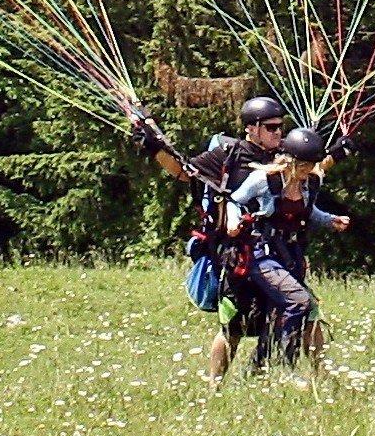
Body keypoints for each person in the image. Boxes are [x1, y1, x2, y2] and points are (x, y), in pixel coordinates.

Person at [135, 96, 288, 381]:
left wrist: (339, 152)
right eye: (271, 127)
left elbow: (311, 171)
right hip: (236, 254)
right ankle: (215, 384)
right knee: (234, 324)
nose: (278, 133)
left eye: (281, 127)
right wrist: (155, 147)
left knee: (279, 315)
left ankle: (260, 376)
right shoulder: (227, 154)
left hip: (276, 252)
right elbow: (184, 171)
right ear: (252, 128)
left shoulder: (283, 156)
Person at [221, 127, 352, 379]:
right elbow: (233, 201)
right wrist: (232, 222)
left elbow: (308, 211)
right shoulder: (265, 180)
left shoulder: (311, 181)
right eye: (304, 167)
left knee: (280, 310)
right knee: (299, 301)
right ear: (290, 162)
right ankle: (283, 364)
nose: (308, 173)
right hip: (261, 254)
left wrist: (330, 220)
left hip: (289, 255)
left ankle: (258, 367)